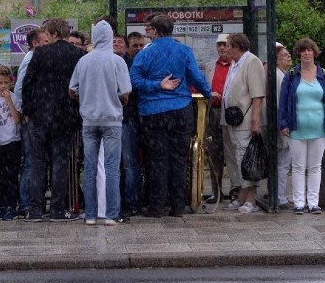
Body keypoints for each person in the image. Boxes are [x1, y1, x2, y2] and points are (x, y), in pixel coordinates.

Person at [129, 14, 213, 218]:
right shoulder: (184, 50)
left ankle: (156, 206)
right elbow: (196, 77)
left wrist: (155, 85)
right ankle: (177, 206)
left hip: (152, 113)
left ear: (155, 31)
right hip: (180, 110)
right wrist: (209, 94)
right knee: (179, 159)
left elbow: (133, 80)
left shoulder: (145, 54)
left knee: (156, 160)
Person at [21, 18, 86, 222]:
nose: (46, 38)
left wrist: (29, 110)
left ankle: (35, 210)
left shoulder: (40, 53)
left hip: (40, 116)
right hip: (65, 116)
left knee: (37, 163)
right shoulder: (78, 54)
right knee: (60, 162)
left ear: (55, 34)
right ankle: (58, 209)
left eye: (47, 34)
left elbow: (27, 83)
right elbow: (80, 86)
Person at [70, 20, 132, 225]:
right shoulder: (117, 62)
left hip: (89, 120)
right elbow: (125, 93)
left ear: (95, 37)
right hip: (112, 120)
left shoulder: (84, 61)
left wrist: (85, 99)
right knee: (112, 168)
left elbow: (72, 90)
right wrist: (116, 101)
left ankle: (90, 215)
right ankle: (111, 214)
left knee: (89, 168)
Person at [279, 37, 325, 215]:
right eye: (303, 50)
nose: (306, 53)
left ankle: (313, 203)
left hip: (320, 129)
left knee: (314, 166)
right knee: (297, 167)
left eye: (309, 50)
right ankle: (299, 203)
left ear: (314, 52)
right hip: (296, 128)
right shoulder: (291, 76)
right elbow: (283, 103)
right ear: (299, 54)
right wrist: (283, 124)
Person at [221, 33, 266, 214]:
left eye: (229, 45)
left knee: (247, 160)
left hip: (246, 121)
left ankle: (251, 200)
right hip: (233, 121)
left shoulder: (251, 62)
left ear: (237, 46)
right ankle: (241, 196)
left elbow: (257, 94)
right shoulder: (235, 64)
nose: (225, 49)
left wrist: (255, 120)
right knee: (237, 159)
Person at [13, 28, 50, 218]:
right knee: (30, 161)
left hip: (32, 115)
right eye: (45, 42)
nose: (49, 45)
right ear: (35, 43)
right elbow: (21, 88)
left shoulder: (33, 58)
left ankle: (30, 202)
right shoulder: (30, 60)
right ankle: (26, 203)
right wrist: (25, 112)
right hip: (30, 118)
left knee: (32, 161)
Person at [204, 33, 233, 203]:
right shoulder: (209, 66)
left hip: (230, 111)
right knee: (214, 152)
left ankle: (236, 190)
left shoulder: (236, 66)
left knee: (231, 151)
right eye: (219, 45)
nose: (222, 48)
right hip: (212, 111)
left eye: (225, 44)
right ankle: (217, 191)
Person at [0, 65, 22, 221]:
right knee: (1, 177)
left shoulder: (14, 97)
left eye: (6, 83)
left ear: (11, 82)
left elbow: (17, 119)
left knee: (11, 176)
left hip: (12, 141)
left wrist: (9, 100)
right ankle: (2, 204)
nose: (3, 86)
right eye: (0, 83)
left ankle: (12, 205)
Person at [271, 43, 293, 207]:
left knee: (282, 163)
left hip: (281, 124)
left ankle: (279, 194)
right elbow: (282, 104)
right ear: (277, 60)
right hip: (283, 126)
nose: (289, 57)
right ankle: (281, 197)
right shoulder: (280, 77)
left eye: (288, 54)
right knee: (283, 163)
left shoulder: (282, 75)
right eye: (285, 55)